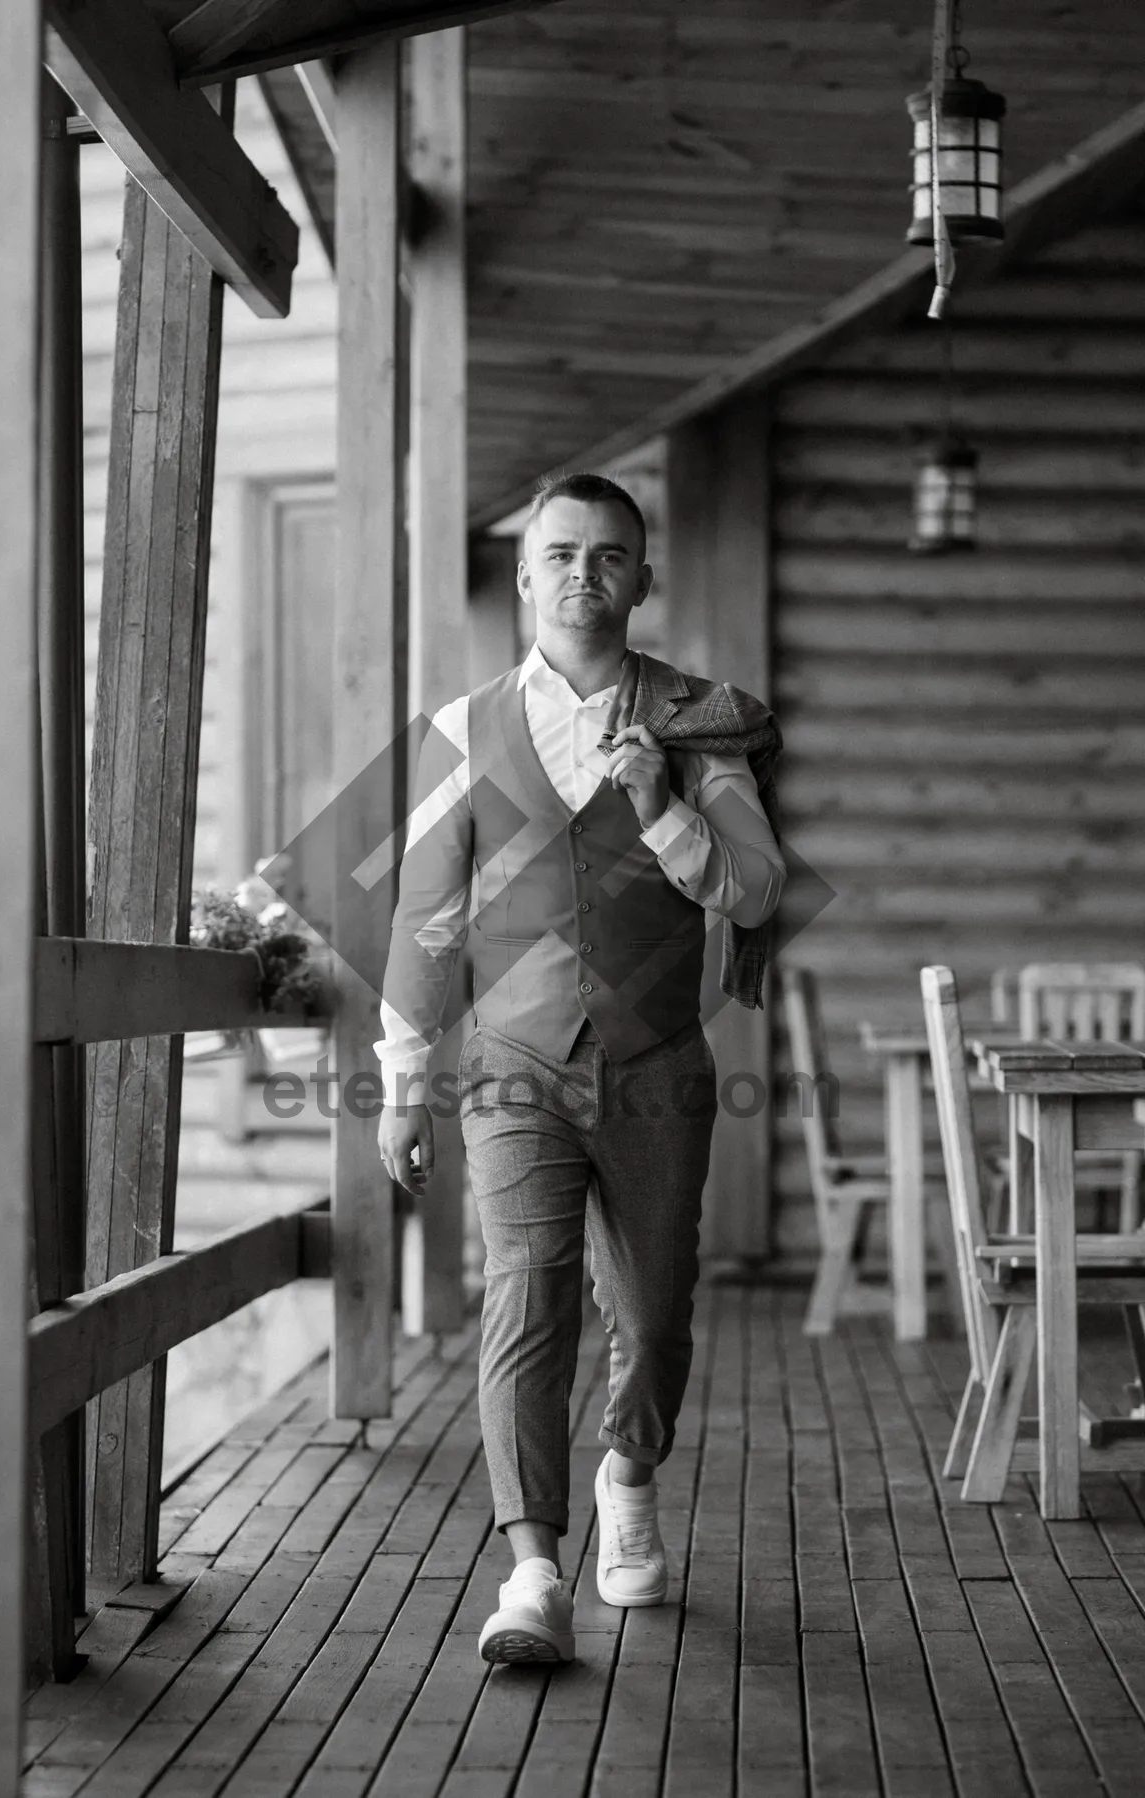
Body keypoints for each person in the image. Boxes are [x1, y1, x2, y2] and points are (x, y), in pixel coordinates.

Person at [375, 472, 786, 1665]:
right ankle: (535, 1570)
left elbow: (757, 890)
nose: (582, 575)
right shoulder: (462, 730)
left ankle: (630, 1478)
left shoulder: (699, 720)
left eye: (610, 556)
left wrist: (663, 808)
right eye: (560, 553)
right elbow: (423, 916)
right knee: (527, 1292)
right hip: (512, 1061)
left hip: (658, 1061)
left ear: (642, 578)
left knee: (654, 1316)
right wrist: (405, 1076)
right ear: (523, 576)